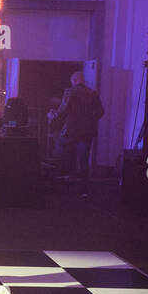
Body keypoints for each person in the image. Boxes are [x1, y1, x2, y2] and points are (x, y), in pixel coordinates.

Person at [48, 67, 104, 198]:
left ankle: (59, 184)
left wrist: (52, 116)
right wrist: (90, 120)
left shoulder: (70, 91)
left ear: (74, 80)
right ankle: (84, 191)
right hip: (87, 132)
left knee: (61, 152)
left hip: (72, 131)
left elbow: (63, 110)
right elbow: (101, 112)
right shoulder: (93, 93)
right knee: (83, 161)